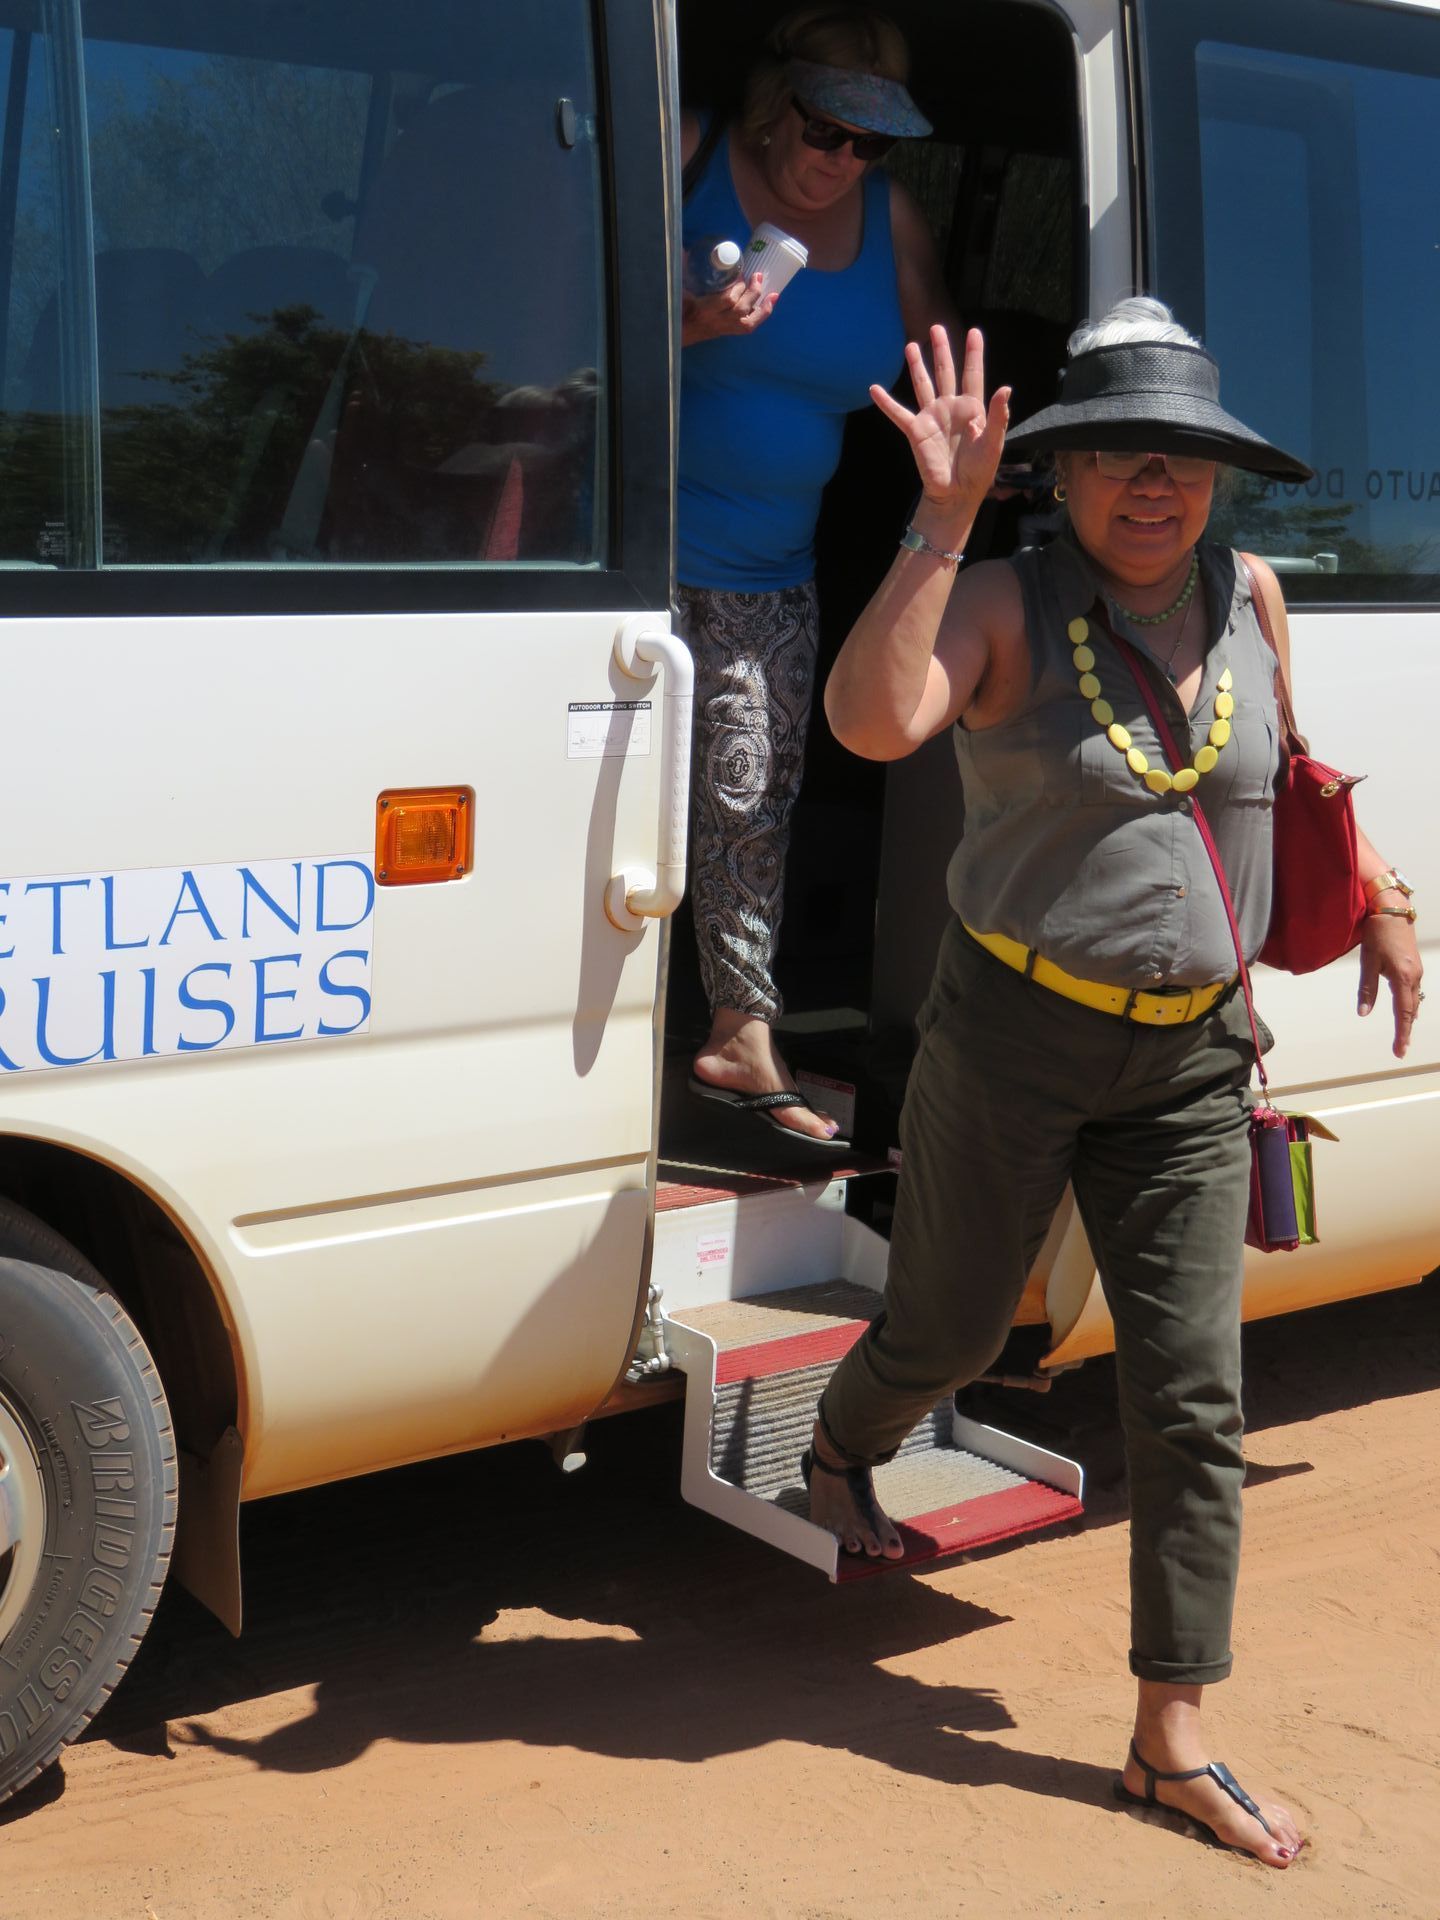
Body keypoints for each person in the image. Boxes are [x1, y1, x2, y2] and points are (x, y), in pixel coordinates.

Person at [806, 297, 1423, 1864]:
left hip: (1194, 1060)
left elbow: (1291, 771)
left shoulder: (1252, 595)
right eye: (1124, 456)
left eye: (1185, 459)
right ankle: (843, 1445)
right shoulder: (1000, 601)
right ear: (1065, 470)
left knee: (1194, 1396)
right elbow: (870, 724)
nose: (1157, 484)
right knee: (950, 1332)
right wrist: (941, 518)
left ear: (1218, 478)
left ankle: (1171, 1736)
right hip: (1011, 1040)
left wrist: (1386, 900)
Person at [679, 5, 959, 1142]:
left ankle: (739, 1034)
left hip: (768, 573)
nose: (844, 158)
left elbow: (947, 372)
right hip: (617, 563)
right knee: (592, 805)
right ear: (775, 102)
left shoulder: (890, 220)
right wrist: (689, 324)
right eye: (827, 128)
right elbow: (555, 325)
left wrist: (973, 457)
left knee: (749, 803)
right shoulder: (689, 149)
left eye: (870, 141)